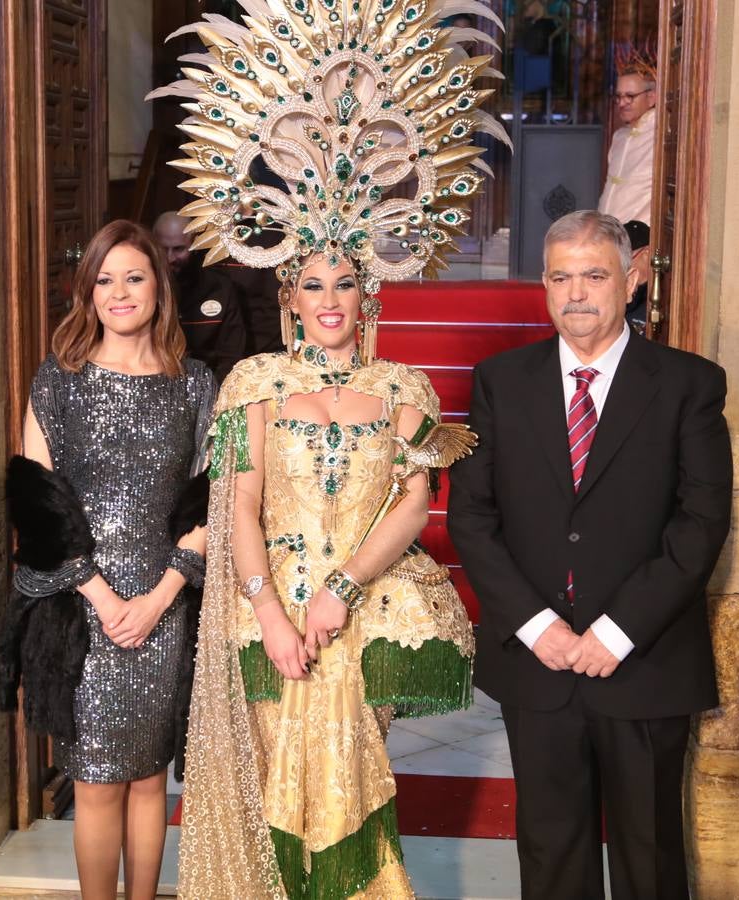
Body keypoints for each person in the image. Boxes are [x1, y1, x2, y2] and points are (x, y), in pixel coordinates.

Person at [146, 2, 505, 896]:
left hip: (371, 613)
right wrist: (271, 611)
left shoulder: (402, 389)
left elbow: (414, 504)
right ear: (292, 295)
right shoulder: (256, 382)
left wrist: (341, 591)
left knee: (354, 790)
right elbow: (237, 506)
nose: (332, 296)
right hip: (265, 619)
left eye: (346, 279)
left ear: (365, 290)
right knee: (273, 792)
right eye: (313, 283)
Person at [447, 209, 733, 899]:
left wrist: (616, 631)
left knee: (650, 856)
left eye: (595, 275)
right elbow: (473, 516)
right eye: (560, 276)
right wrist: (536, 624)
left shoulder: (689, 384)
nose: (577, 293)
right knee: (550, 855)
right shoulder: (500, 382)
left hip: (645, 661)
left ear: (631, 280)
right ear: (544, 285)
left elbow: (700, 523)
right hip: (539, 666)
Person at [3, 219, 215, 900]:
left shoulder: (196, 385)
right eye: (105, 279)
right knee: (95, 782)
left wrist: (159, 597)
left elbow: (211, 500)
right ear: (87, 292)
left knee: (151, 779)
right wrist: (103, 595)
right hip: (85, 610)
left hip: (165, 605)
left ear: (159, 286)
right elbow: (36, 502)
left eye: (134, 277)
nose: (120, 292)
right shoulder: (58, 381)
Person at [153, 211, 249, 382]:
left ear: (195, 245)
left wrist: (212, 397)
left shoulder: (219, 288)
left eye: (178, 249)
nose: (169, 258)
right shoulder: (144, 288)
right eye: (162, 249)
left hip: (210, 385)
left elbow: (232, 357)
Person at [597, 57, 658, 227]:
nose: (622, 103)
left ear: (652, 97)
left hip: (640, 237)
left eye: (630, 96)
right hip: (609, 233)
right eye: (619, 96)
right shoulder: (619, 137)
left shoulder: (660, 135)